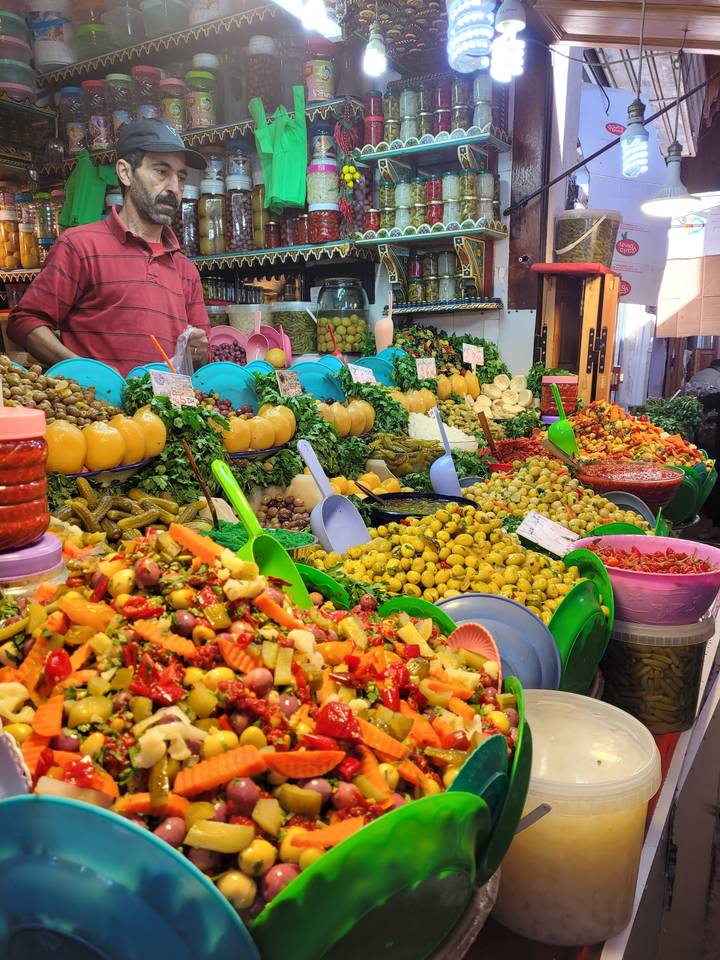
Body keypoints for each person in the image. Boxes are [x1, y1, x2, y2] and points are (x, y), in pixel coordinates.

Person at [8, 119, 211, 376]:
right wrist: (85, 373)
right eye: (161, 171)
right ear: (125, 173)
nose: (174, 187)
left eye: (181, 177)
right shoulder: (80, 246)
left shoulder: (185, 269)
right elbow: (25, 321)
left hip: (165, 413)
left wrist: (200, 352)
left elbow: (203, 353)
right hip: (100, 411)